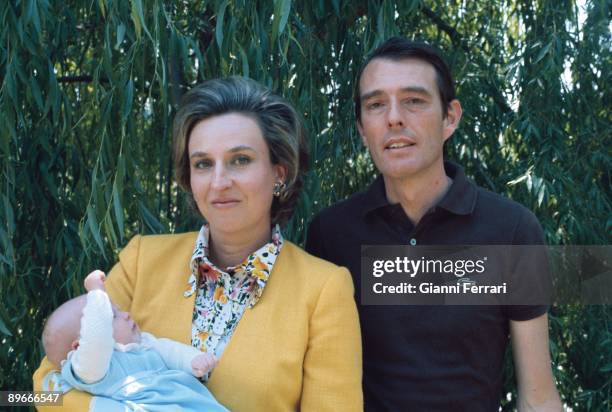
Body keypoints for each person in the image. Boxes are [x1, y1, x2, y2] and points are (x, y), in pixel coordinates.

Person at [34, 76, 363, 411]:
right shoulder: (142, 261)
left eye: (240, 160)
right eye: (203, 164)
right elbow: (43, 390)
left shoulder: (323, 290)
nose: (219, 182)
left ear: (279, 173)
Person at [306, 37, 562, 411]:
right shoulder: (331, 234)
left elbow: (538, 397)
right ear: (362, 129)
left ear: (450, 117)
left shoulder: (512, 231)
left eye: (414, 100)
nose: (394, 118)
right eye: (376, 105)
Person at [42, 270, 228, 411]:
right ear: (79, 346)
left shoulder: (142, 343)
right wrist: (96, 294)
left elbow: (169, 350)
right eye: (112, 316)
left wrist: (194, 360)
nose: (126, 315)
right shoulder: (90, 369)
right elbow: (97, 340)